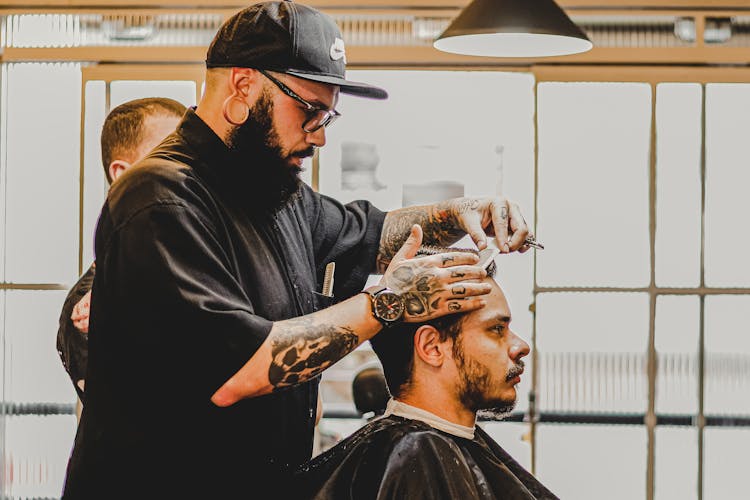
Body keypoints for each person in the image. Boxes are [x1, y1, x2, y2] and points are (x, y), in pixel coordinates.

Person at [61, 2, 532, 498]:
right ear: (243, 86)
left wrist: (458, 215)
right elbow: (237, 372)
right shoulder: (160, 200)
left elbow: (372, 234)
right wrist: (389, 303)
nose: (321, 135)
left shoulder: (275, 192)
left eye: (329, 115)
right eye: (309, 110)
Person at [297, 248, 557, 499]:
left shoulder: (426, 451)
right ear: (431, 347)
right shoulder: (416, 455)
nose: (521, 346)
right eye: (496, 329)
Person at [56, 97, 186, 405]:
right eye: (172, 154)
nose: (189, 169)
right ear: (123, 174)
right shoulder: (92, 302)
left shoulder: (192, 267)